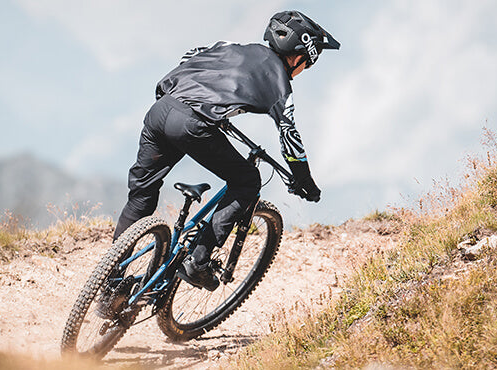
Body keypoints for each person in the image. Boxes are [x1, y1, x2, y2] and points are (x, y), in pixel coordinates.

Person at [114, 10, 339, 290]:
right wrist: (305, 181)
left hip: (160, 110)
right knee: (247, 181)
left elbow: (191, 56)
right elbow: (290, 136)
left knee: (141, 196)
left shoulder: (231, 47)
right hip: (192, 124)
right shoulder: (280, 83)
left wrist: (209, 106)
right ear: (297, 57)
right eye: (307, 64)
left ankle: (111, 282)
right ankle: (197, 260)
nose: (304, 70)